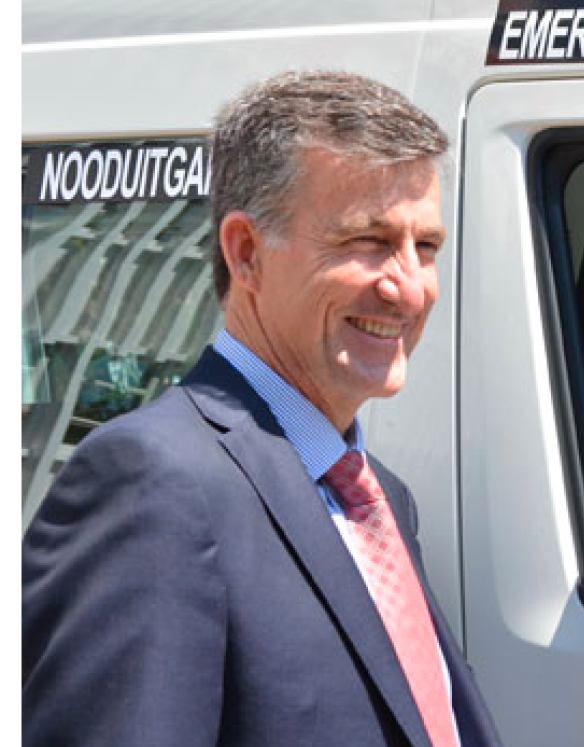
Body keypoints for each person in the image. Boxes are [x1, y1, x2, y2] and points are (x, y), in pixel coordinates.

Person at [23, 71, 503, 747]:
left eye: (424, 247)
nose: (408, 289)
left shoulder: (377, 496)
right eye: (367, 240)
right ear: (246, 252)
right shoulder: (154, 484)